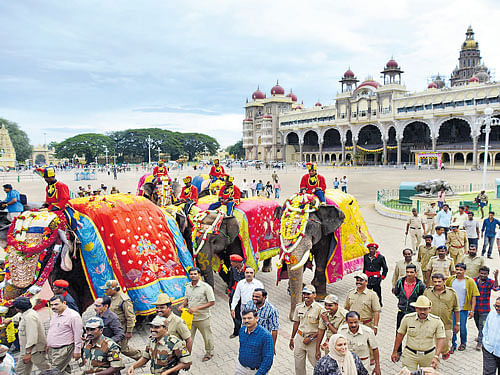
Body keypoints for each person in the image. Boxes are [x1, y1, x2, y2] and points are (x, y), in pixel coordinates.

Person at [391, 295, 446, 371]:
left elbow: (441, 339)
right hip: (410, 355)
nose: (422, 312)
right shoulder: (407, 319)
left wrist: (436, 356)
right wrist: (395, 351)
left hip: (429, 355)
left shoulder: (437, 321)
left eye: (425, 309)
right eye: (420, 309)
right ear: (416, 308)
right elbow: (400, 335)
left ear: (430, 309)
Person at [126, 315, 191, 375]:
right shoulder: (152, 340)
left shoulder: (175, 343)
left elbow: (186, 362)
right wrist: (133, 366)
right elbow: (145, 357)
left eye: (157, 327)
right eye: (151, 327)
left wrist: (167, 372)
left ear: (165, 328)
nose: (153, 330)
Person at [101, 280, 141, 360]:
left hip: (122, 328)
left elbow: (130, 317)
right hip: (113, 327)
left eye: (107, 289)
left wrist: (129, 331)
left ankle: (141, 357)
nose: (105, 291)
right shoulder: (111, 298)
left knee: (124, 348)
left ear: (114, 289)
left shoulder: (124, 300)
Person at [181, 267, 215, 362]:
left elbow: (212, 302)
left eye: (195, 274)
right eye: (191, 274)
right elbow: (186, 299)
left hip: (203, 317)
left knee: (207, 337)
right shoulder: (187, 286)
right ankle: (186, 354)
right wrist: (182, 305)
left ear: (199, 275)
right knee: (188, 337)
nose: (193, 276)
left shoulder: (206, 287)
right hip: (190, 318)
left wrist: (197, 308)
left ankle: (209, 353)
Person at [289, 285, 325, 375]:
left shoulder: (320, 309)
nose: (305, 296)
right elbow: (296, 323)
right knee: (298, 365)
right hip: (300, 339)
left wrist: (311, 338)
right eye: (304, 294)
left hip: (313, 341)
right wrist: (292, 338)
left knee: (317, 365)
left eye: (308, 294)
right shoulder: (299, 307)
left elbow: (322, 329)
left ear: (314, 295)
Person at [392, 264, 426, 357]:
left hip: (414, 313)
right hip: (402, 312)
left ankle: (415, 351)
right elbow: (397, 293)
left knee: (415, 333)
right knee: (399, 332)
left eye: (411, 272)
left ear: (415, 273)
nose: (409, 274)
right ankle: (398, 351)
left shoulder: (420, 284)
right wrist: (402, 301)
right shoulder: (400, 282)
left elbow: (422, 297)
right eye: (407, 272)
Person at [445, 263, 480, 352]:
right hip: (451, 308)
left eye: (461, 270)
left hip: (463, 309)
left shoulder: (469, 281)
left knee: (462, 327)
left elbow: (474, 296)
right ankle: (452, 344)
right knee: (452, 327)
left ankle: (463, 342)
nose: (459, 272)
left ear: (464, 271)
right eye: (457, 269)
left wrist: (472, 310)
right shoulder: (451, 280)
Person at [423, 273, 460, 359]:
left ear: (444, 281)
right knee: (431, 344)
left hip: (446, 324)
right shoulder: (427, 292)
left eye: (439, 281)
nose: (437, 284)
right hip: (430, 324)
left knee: (445, 344)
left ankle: (445, 351)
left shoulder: (452, 293)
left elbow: (456, 309)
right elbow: (422, 307)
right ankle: (434, 358)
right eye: (435, 282)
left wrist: (457, 323)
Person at [12, 297, 50, 375]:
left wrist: (28, 353)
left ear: (18, 308)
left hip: (34, 351)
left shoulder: (29, 318)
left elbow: (32, 336)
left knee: (46, 369)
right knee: (21, 371)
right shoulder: (26, 314)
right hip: (25, 350)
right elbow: (18, 317)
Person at [46, 295, 83, 373]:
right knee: (64, 371)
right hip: (52, 349)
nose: (53, 307)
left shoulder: (73, 316)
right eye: (51, 305)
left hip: (63, 349)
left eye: (56, 304)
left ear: (64, 303)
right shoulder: (55, 313)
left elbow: (78, 335)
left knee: (54, 371)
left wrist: (77, 350)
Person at [235, 309, 274, 375]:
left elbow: (268, 359)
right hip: (241, 368)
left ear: (256, 318)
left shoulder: (266, 335)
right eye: (244, 318)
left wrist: (259, 373)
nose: (246, 321)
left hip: (256, 371)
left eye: (249, 318)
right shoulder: (242, 330)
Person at [473, 267, 499, 351]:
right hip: (475, 307)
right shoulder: (474, 281)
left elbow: (496, 288)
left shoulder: (490, 282)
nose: (483, 275)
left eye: (485, 274)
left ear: (487, 274)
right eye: (481, 273)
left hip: (485, 308)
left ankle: (480, 343)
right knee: (477, 323)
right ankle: (481, 335)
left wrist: (496, 278)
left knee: (482, 325)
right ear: (479, 273)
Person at [227, 254, 246, 338]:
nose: (231, 263)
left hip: (244, 294)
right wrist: (229, 290)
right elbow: (231, 280)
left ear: (238, 263)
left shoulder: (247, 270)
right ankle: (237, 330)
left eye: (232, 262)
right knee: (234, 311)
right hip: (234, 293)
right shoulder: (233, 269)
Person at [481, 297, 500, 374]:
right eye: (496, 306)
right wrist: (486, 342)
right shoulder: (492, 313)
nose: (497, 308)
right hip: (489, 350)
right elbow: (485, 329)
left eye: (499, 307)